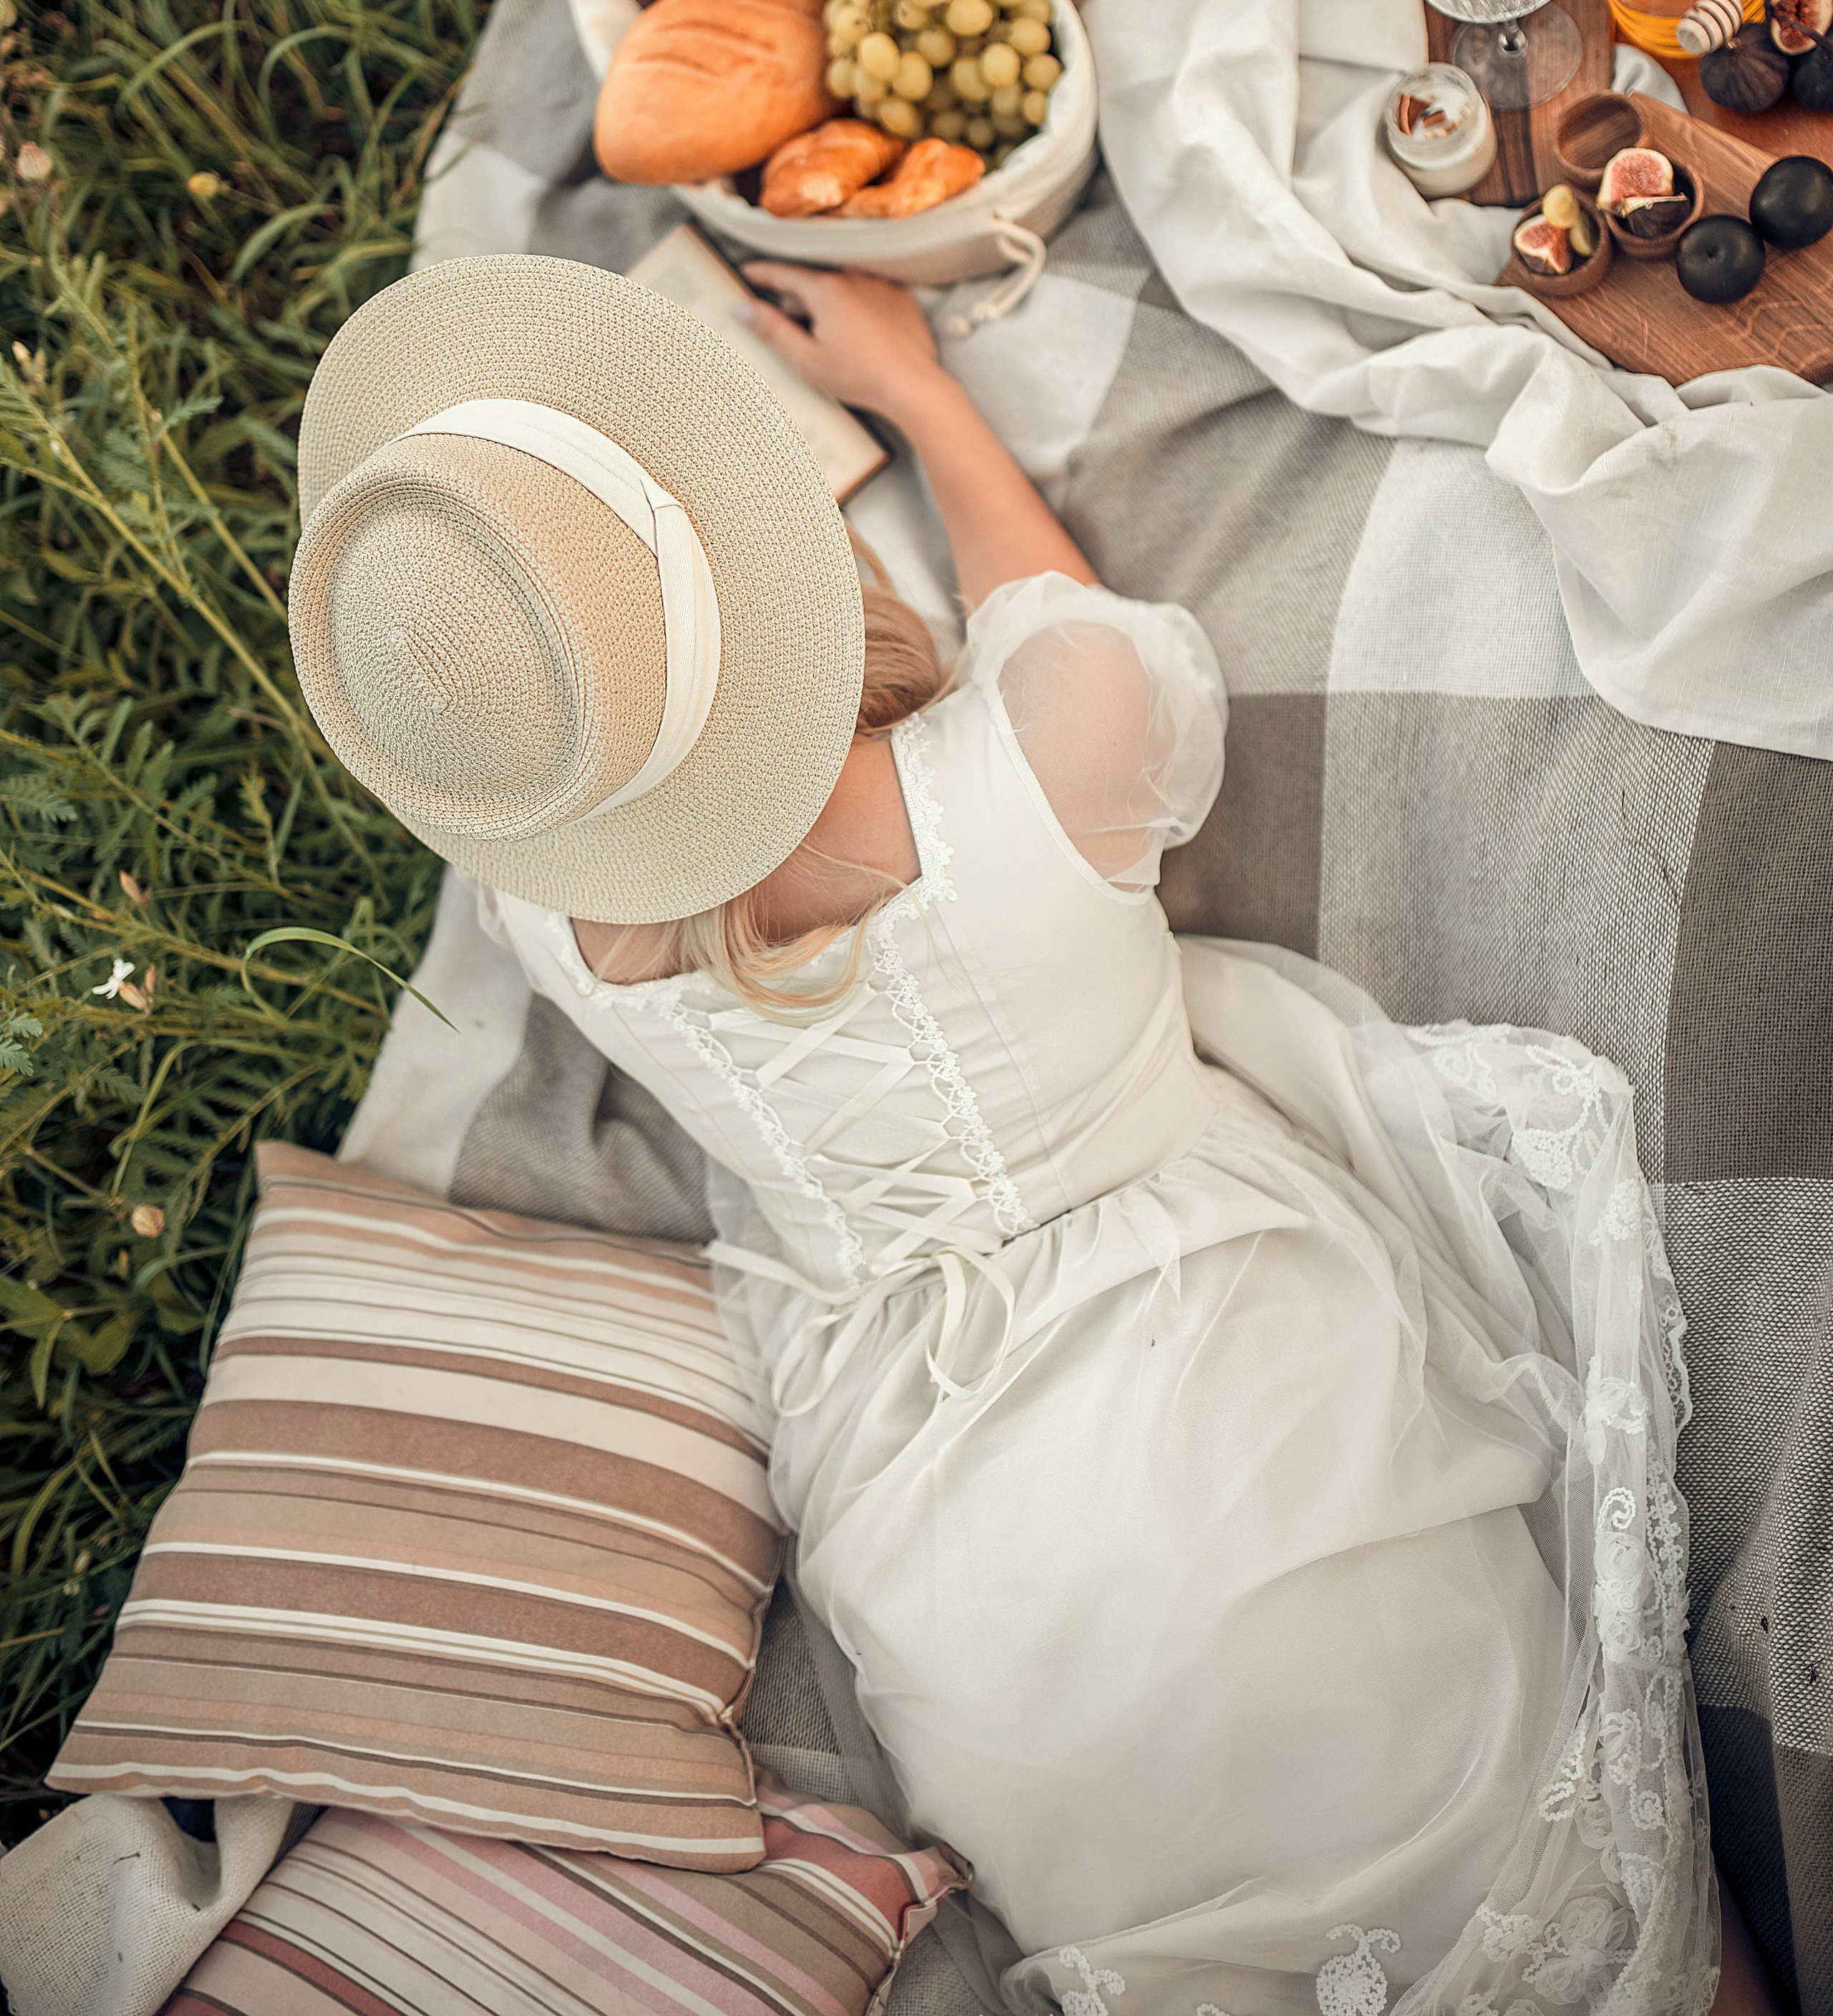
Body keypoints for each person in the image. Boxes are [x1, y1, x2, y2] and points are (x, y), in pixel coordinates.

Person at [288, 249, 1759, 2016]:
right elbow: (1059, 610)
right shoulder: (1054, 750)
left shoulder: (545, 916)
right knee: (1555, 1861)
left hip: (941, 1533)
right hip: (1229, 1348)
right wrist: (917, 391)